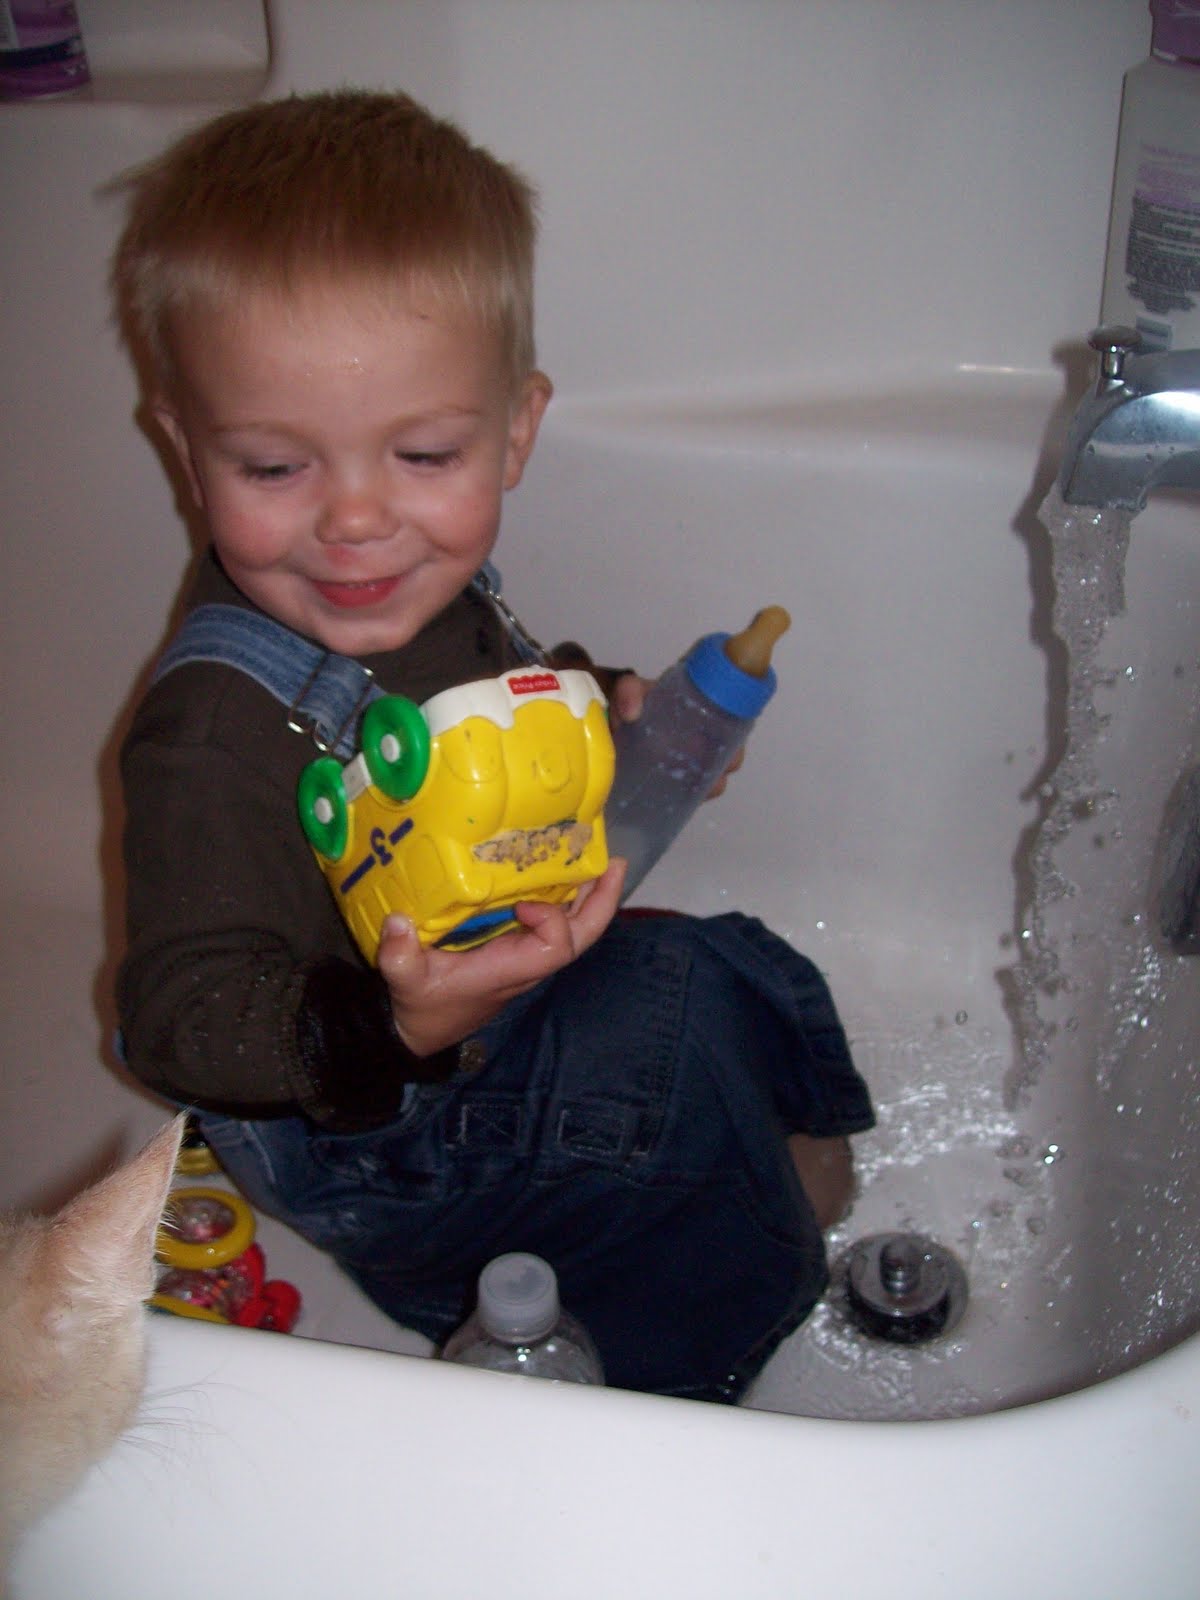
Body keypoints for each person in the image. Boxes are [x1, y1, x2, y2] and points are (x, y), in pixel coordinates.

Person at [110, 89, 873, 1402]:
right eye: (275, 468)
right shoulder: (214, 735)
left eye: (420, 453)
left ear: (515, 427)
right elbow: (172, 1023)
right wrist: (392, 1019)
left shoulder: (399, 587)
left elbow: (470, 699)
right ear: (185, 450)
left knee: (703, 962)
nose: (354, 523)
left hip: (460, 984)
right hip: (367, 1125)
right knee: (671, 1052)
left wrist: (608, 703)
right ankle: (666, 1362)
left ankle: (759, 1171)